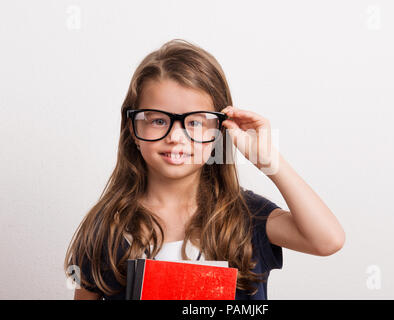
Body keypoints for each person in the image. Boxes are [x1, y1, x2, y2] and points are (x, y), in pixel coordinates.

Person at [64, 38, 345, 300]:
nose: (175, 136)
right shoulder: (108, 227)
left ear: (219, 131)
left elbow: (327, 240)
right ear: (133, 129)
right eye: (158, 121)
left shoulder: (245, 217)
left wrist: (269, 160)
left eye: (195, 123)